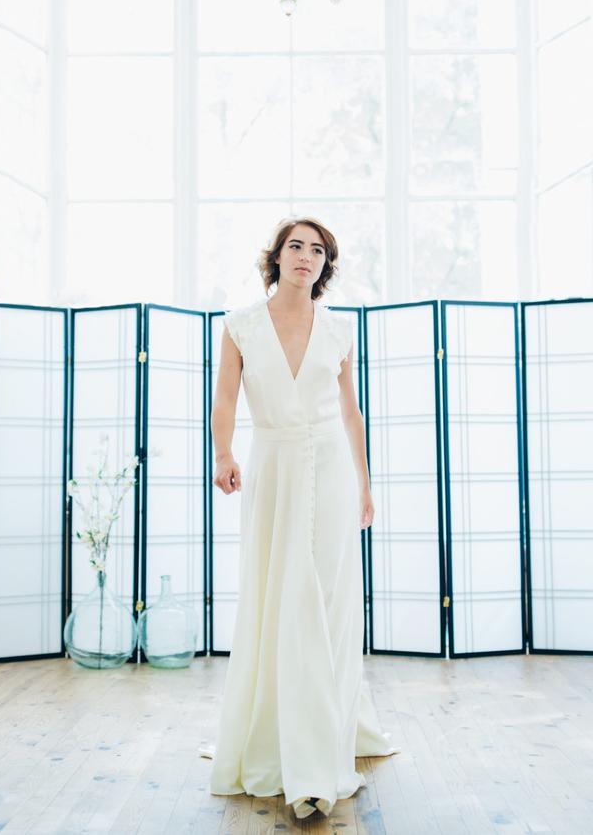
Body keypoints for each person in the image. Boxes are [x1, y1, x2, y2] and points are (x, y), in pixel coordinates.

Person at [199, 216, 399, 820]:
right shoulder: (240, 325)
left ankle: (321, 748)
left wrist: (365, 484)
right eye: (296, 246)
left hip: (332, 470)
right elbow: (225, 398)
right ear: (277, 256)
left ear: (325, 265)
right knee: (279, 594)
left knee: (327, 600)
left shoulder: (339, 330)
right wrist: (223, 454)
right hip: (274, 469)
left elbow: (351, 413)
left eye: (317, 250)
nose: (305, 256)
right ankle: (275, 738)